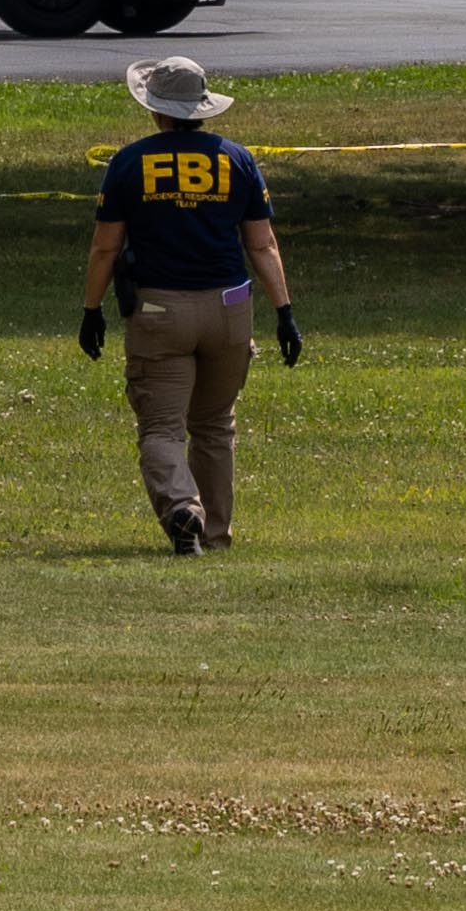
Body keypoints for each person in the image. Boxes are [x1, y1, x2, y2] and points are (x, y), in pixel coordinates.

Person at [78, 55, 303, 554]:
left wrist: (92, 310)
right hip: (230, 307)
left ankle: (183, 509)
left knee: (161, 426)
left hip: (160, 311)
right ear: (202, 109)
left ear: (155, 110)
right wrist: (284, 312)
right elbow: (262, 245)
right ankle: (217, 536)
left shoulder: (130, 162)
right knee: (214, 425)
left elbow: (105, 248)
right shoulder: (237, 159)